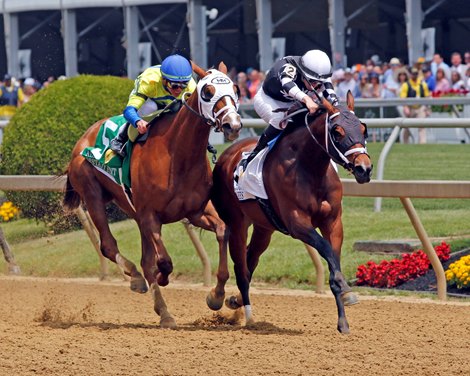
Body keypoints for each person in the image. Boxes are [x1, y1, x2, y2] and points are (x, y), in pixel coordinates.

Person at [241, 49, 339, 169]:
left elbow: (328, 89)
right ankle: (254, 154)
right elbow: (287, 84)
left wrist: (335, 104)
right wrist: (307, 99)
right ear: (303, 74)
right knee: (279, 120)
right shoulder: (288, 67)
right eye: (313, 82)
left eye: (319, 83)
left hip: (292, 101)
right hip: (268, 99)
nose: (317, 86)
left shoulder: (317, 73)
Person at [110, 54, 196, 157]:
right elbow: (129, 111)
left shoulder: (191, 87)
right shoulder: (149, 81)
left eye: (183, 85)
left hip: (172, 103)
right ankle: (119, 139)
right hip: (150, 101)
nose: (179, 90)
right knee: (150, 107)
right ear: (163, 80)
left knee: (180, 111)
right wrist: (137, 121)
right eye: (175, 85)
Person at [399, 66, 430, 144]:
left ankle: (422, 143)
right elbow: (403, 98)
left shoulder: (423, 84)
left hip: (420, 107)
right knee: (406, 126)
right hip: (410, 107)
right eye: (413, 74)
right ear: (410, 74)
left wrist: (427, 108)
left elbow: (427, 97)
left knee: (422, 125)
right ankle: (405, 142)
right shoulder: (406, 85)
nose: (414, 76)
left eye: (416, 74)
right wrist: (405, 107)